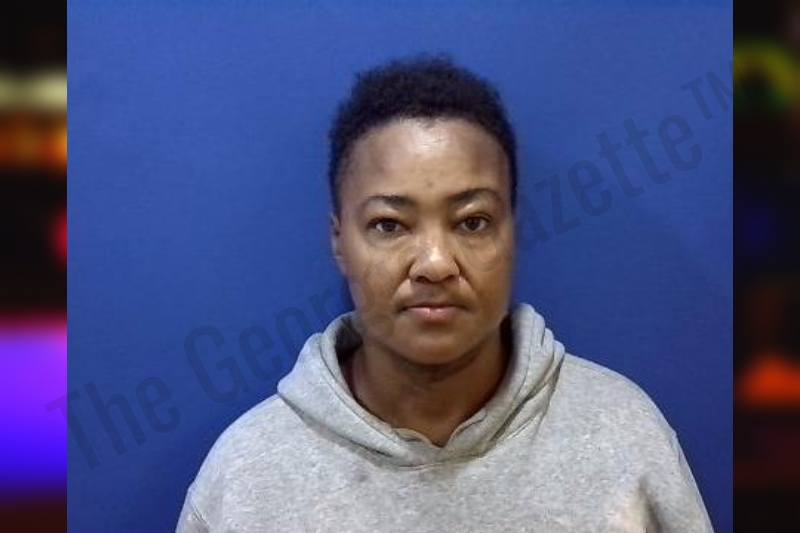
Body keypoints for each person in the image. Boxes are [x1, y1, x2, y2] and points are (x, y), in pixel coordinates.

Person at [176, 56, 714, 533]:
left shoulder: (622, 436)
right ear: (339, 242)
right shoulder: (246, 477)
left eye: (472, 222)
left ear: (513, 232)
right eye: (390, 225)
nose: (435, 263)